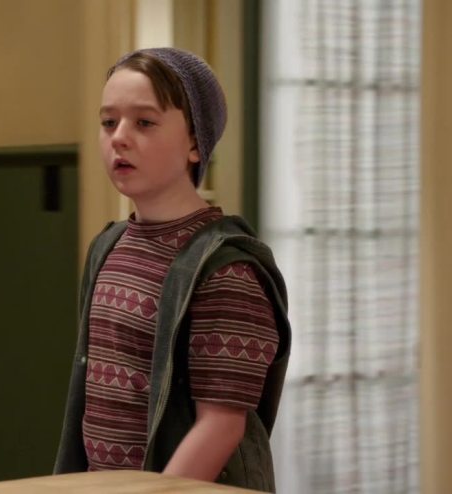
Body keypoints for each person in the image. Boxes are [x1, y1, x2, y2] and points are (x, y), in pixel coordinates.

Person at [53, 47, 291, 492]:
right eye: (109, 122)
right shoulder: (108, 246)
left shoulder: (226, 270)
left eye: (144, 122)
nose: (119, 138)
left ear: (196, 143)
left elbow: (220, 426)